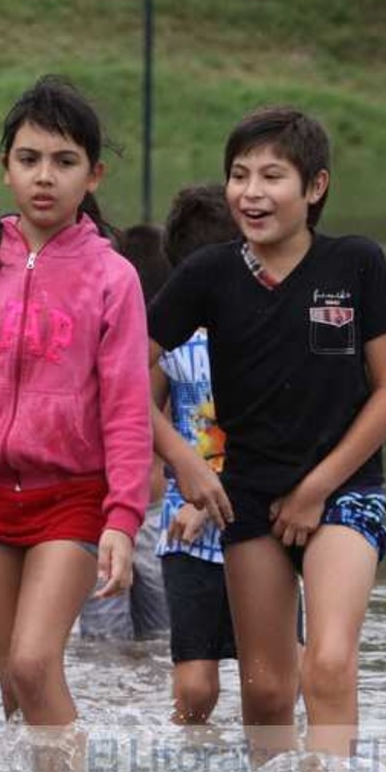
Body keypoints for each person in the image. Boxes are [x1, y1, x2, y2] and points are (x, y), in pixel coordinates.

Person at [148, 107, 386, 759]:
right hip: (247, 497)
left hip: (344, 492)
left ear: (314, 187)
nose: (251, 192)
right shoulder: (208, 273)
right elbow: (122, 372)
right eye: (238, 176)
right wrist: (182, 459)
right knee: (265, 696)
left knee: (325, 662)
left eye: (272, 176)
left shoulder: (355, 265)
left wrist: (317, 488)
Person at [0, 75, 151, 726]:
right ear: (6, 169)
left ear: (92, 175)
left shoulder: (112, 277)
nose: (46, 177)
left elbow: (127, 410)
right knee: (13, 687)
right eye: (30, 159)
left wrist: (122, 521)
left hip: (71, 497)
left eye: (65, 162)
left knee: (34, 664)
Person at [148, 184, 242, 723]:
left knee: (279, 672)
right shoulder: (169, 340)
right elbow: (141, 410)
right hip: (183, 536)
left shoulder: (260, 333)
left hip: (253, 523)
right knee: (195, 686)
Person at [77, 222, 171, 643]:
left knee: (104, 648)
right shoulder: (175, 352)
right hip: (152, 516)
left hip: (109, 514)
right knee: (165, 645)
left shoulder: (113, 352)